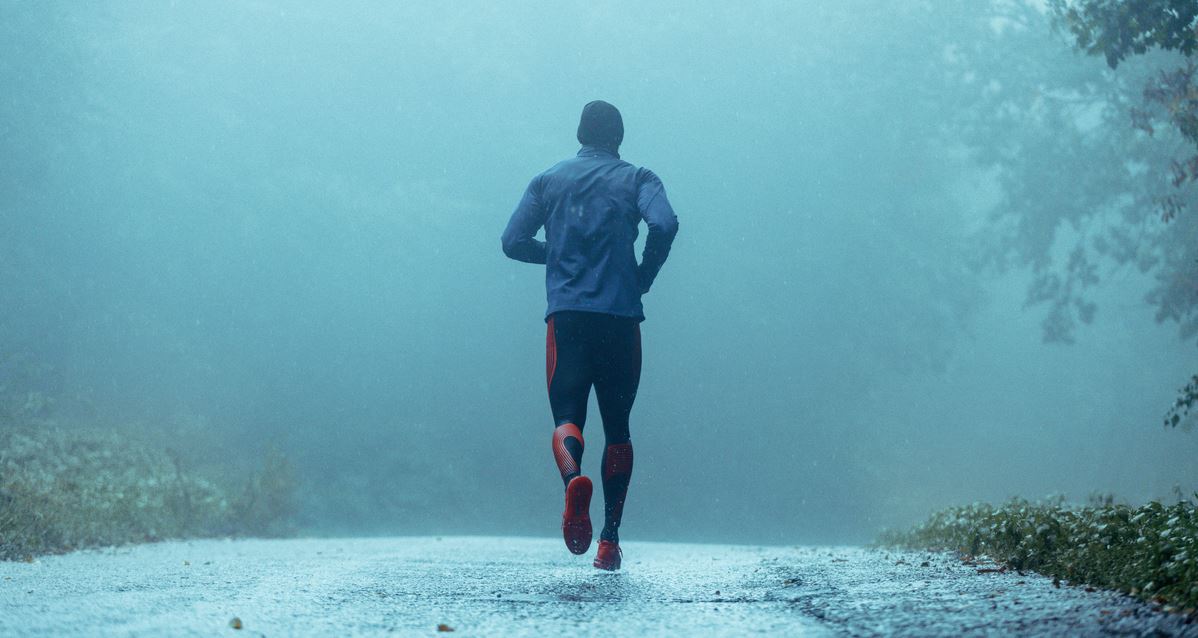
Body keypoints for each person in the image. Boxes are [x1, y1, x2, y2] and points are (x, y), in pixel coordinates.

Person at [501, 100, 679, 571]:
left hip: (568, 318)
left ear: (580, 135)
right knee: (618, 427)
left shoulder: (548, 180)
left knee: (567, 417)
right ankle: (609, 540)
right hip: (620, 317)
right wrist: (643, 274)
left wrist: (561, 253)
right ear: (619, 138)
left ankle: (573, 482)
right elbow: (664, 223)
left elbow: (512, 241)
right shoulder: (638, 179)